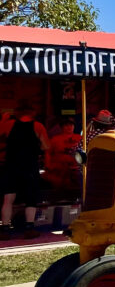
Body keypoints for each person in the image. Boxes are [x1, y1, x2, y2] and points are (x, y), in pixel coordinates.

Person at [0, 101, 50, 240]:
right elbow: (46, 146)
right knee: (30, 198)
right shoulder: (38, 126)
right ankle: (29, 228)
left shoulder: (9, 125)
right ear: (32, 113)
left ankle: (4, 228)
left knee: (8, 198)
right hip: (30, 166)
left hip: (12, 165)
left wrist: (4, 120)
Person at [44, 118, 83, 202]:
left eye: (71, 125)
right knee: (58, 192)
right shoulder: (55, 139)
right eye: (66, 125)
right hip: (59, 171)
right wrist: (48, 165)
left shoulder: (80, 138)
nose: (69, 127)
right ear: (62, 127)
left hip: (76, 171)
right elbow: (48, 153)